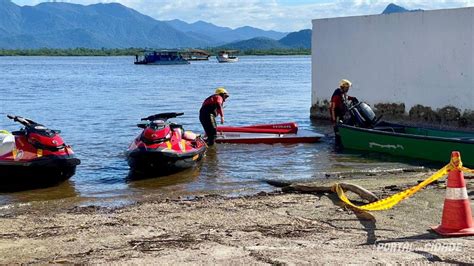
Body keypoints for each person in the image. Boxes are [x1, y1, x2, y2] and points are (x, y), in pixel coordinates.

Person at [329, 79, 357, 146]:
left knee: (343, 127)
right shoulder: (336, 95)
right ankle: (337, 144)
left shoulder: (342, 93)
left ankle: (342, 140)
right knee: (338, 131)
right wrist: (334, 120)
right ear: (343, 87)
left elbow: (346, 97)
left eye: (348, 88)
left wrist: (352, 98)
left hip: (340, 113)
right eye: (347, 88)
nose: (348, 89)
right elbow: (333, 108)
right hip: (336, 115)